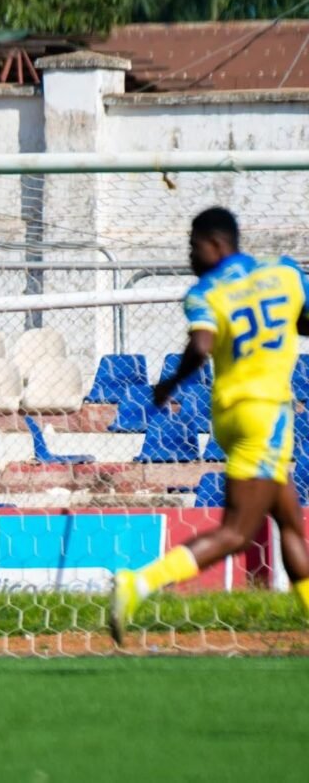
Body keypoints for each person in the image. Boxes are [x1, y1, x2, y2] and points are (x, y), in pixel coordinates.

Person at [110, 206, 309, 645]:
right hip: (268, 416)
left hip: (230, 414)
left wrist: (168, 385)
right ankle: (138, 584)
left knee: (289, 522)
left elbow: (201, 347)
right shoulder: (287, 274)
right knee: (237, 533)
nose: (190, 257)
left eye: (193, 247)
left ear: (216, 245)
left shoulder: (206, 292)